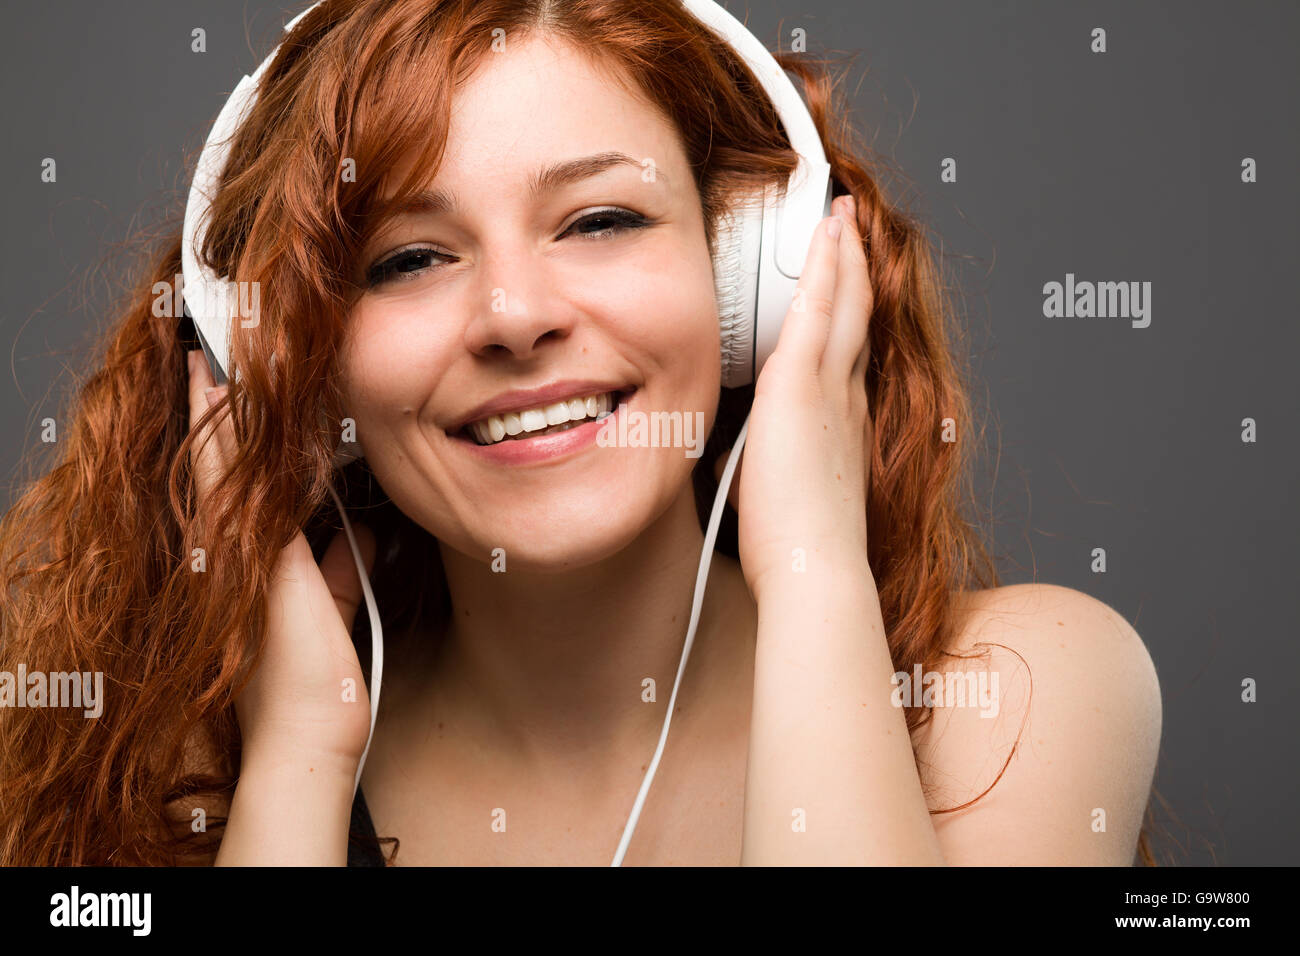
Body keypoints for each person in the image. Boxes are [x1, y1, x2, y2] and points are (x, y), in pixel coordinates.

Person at [0, 0, 1160, 866]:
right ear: (295, 359)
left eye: (599, 219)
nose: (514, 316)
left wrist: (812, 566)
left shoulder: (1018, 690)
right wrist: (302, 757)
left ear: (756, 278)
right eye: (408, 259)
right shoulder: (197, 777)